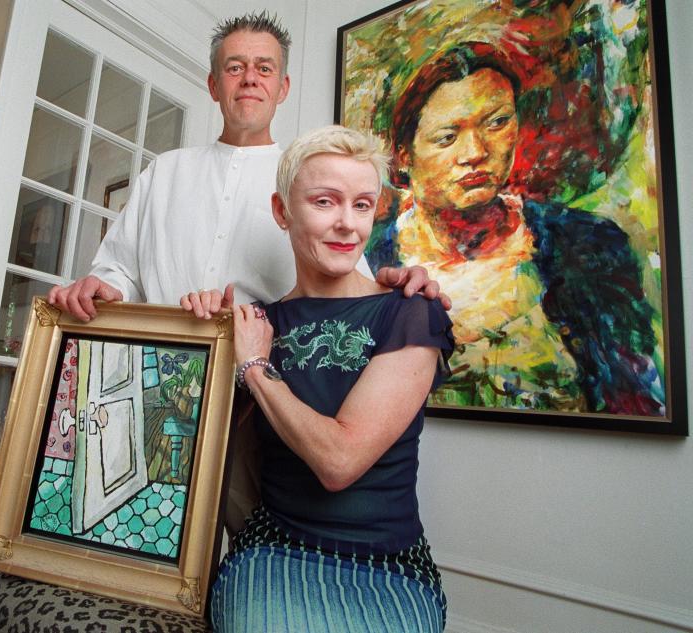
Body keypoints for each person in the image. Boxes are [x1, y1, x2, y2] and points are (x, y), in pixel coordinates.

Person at [205, 125, 453, 632]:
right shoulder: (257, 324)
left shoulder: (409, 313)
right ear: (282, 211)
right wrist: (197, 332)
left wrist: (255, 368)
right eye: (325, 202)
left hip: (389, 569)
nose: (347, 225)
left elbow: (339, 461)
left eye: (362, 205)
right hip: (274, 552)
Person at [47, 11, 447, 322]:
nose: (250, 79)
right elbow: (118, 270)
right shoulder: (164, 172)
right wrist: (102, 286)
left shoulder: (307, 180)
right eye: (235, 67)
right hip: (157, 371)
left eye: (265, 68)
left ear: (282, 88)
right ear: (214, 85)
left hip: (264, 383)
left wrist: (394, 285)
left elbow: (345, 280)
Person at [367, 41, 663, 415]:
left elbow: (634, 401)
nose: (475, 151)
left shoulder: (588, 245)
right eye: (447, 137)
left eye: (497, 122)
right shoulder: (369, 259)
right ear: (405, 155)